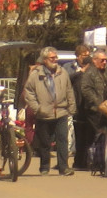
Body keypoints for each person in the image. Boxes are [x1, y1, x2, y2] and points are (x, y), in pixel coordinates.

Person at [24, 47, 76, 176]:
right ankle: (44, 166)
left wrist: (71, 107)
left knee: (62, 140)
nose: (55, 60)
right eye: (52, 58)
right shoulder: (36, 75)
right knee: (45, 142)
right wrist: (37, 108)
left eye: (56, 57)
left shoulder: (62, 72)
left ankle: (64, 167)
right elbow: (28, 92)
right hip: (44, 113)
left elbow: (69, 90)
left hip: (61, 111)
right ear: (45, 60)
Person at [74, 46, 107, 173]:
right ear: (94, 60)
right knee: (97, 135)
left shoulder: (104, 72)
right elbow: (86, 90)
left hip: (105, 109)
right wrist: (98, 103)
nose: (105, 63)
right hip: (94, 110)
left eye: (106, 60)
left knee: (100, 135)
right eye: (102, 60)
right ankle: (95, 162)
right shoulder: (90, 73)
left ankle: (99, 161)